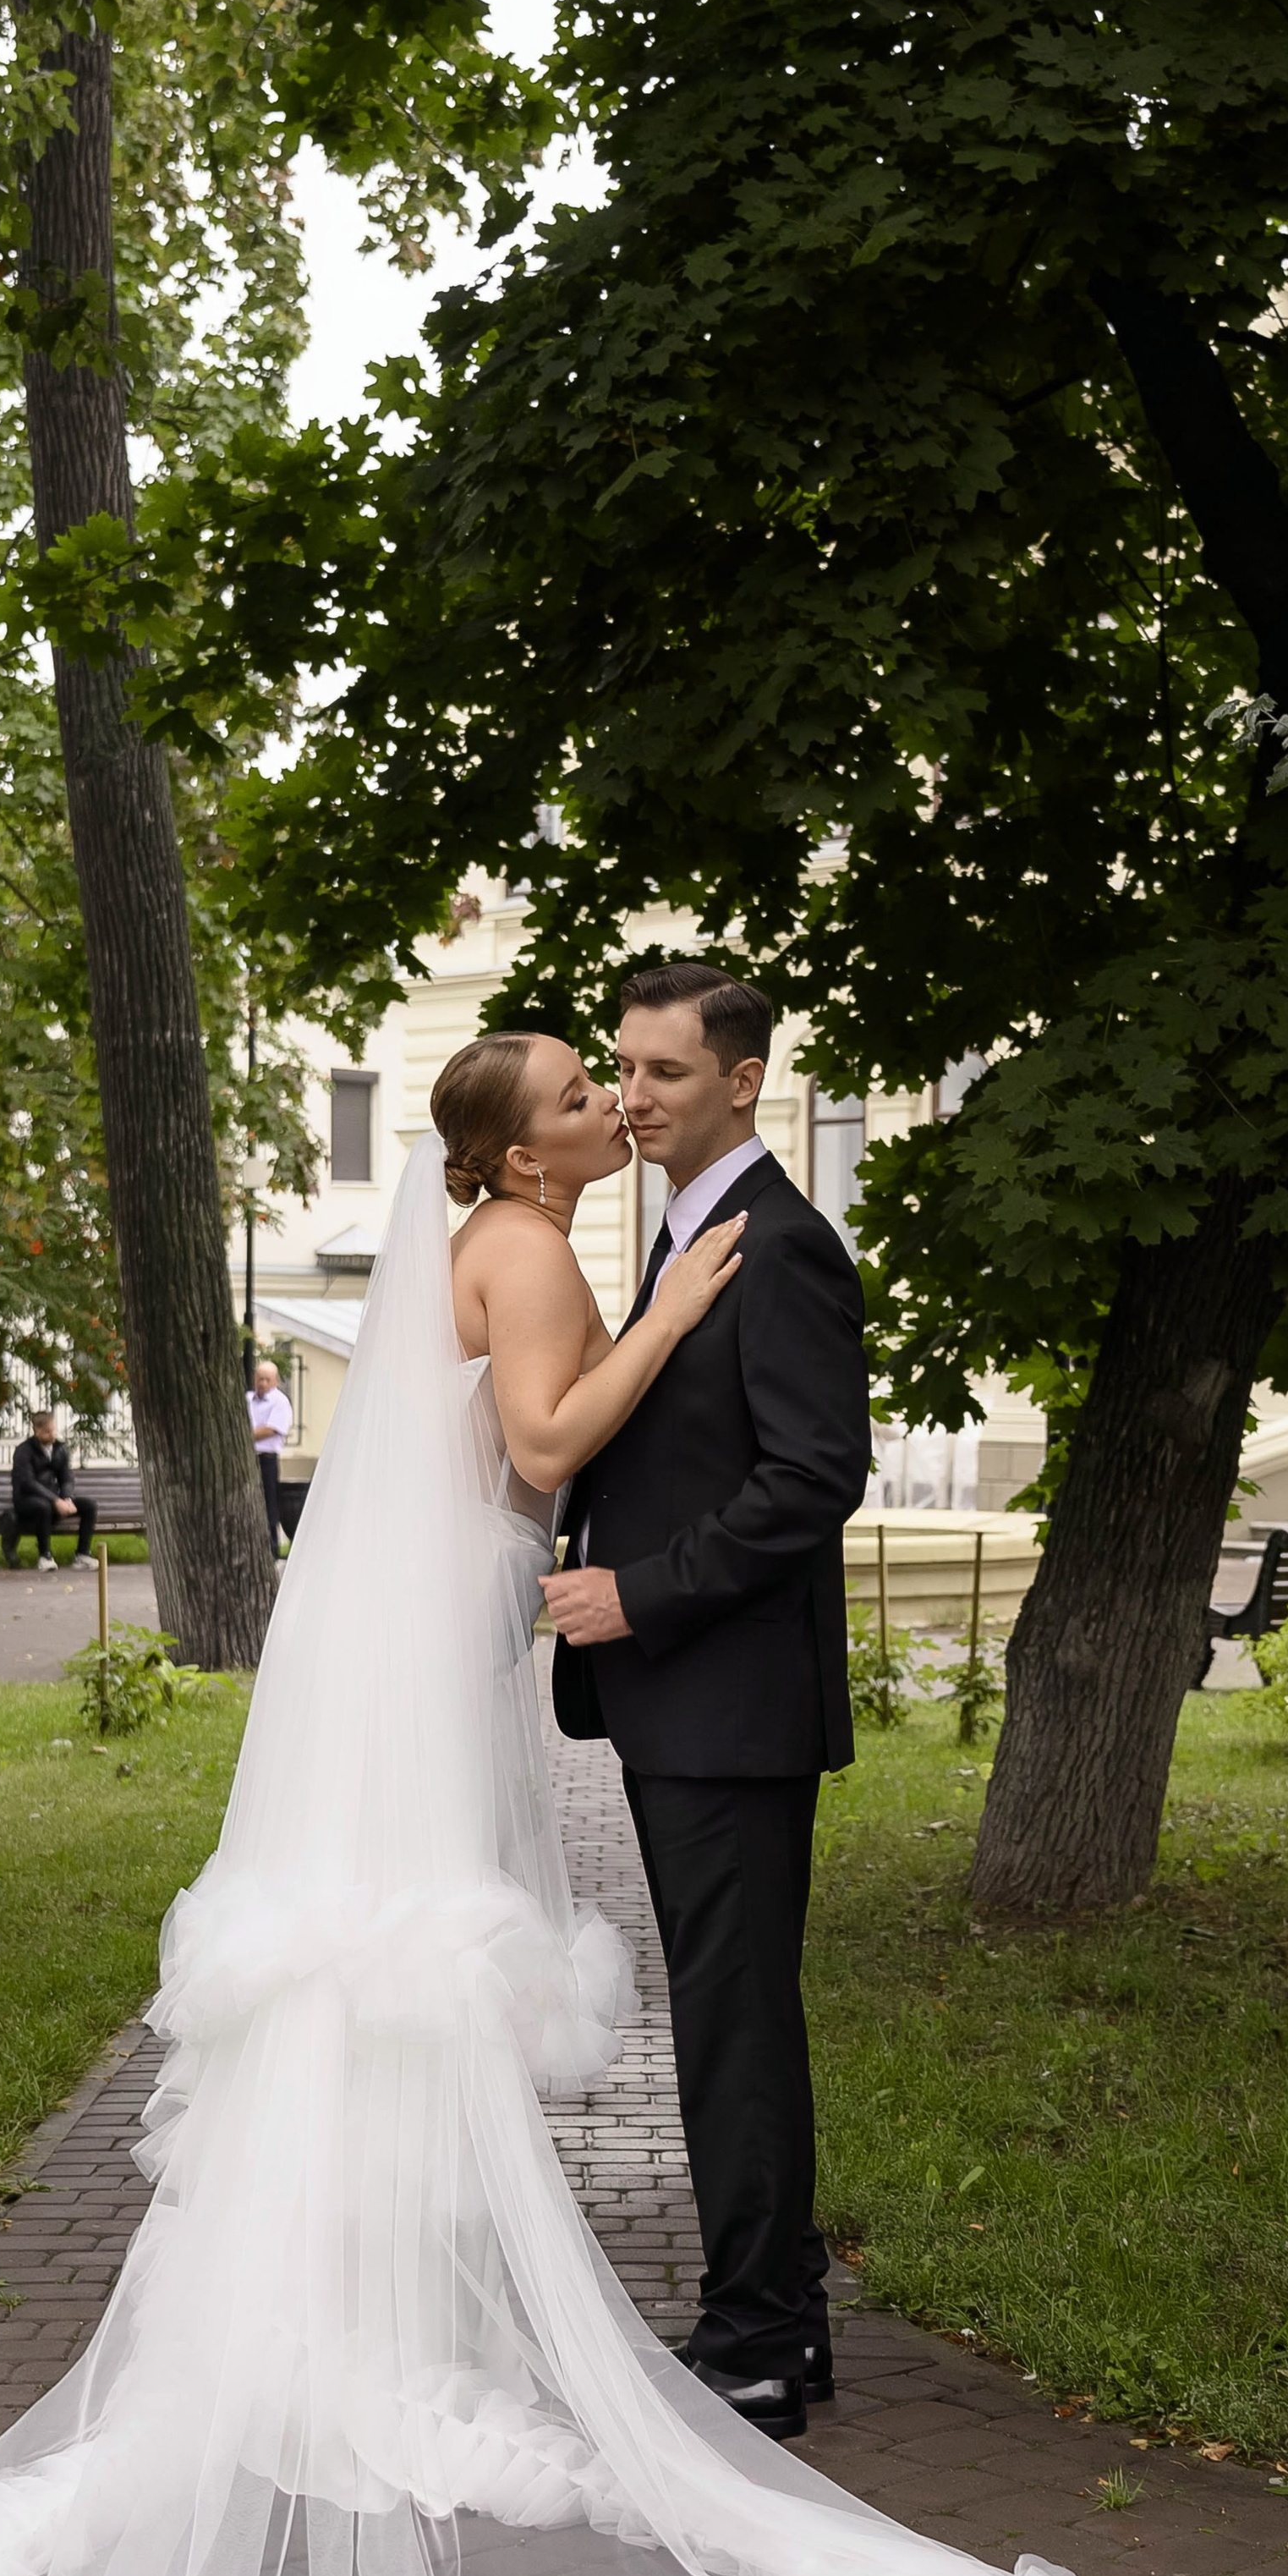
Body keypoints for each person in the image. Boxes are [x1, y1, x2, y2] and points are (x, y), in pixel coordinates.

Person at [0, 1031, 1288, 2576]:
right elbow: (547, 1444)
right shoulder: (534, 1249)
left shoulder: (524, 1238)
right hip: (444, 1642)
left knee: (391, 1965)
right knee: (416, 1955)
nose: (606, 1107)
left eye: (619, 1080)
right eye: (580, 1093)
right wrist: (671, 1324)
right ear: (513, 1156)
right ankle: (373, 2332)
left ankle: (352, 2326)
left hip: (431, 1628)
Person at [545, 964, 857, 2443]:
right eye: (623, 1067)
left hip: (732, 1701)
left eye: (663, 1071)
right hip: (688, 1704)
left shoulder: (778, 1244)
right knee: (731, 2014)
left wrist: (640, 1592)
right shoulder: (686, 1229)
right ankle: (782, 2313)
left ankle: (756, 2342)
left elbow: (812, 1478)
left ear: (743, 1080)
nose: (633, 1095)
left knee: (734, 2025)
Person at [4, 1409, 96, 1573]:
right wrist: (55, 1501)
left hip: (54, 1499)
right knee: (43, 1507)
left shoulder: (60, 1449)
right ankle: (45, 1556)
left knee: (89, 1506)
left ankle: (82, 1554)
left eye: (54, 1430)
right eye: (47, 1432)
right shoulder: (24, 1451)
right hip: (27, 1501)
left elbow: (66, 1477)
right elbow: (28, 1483)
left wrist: (66, 1498)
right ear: (36, 1431)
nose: (52, 1435)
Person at [248, 1359, 291, 1554]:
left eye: (267, 1379)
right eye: (260, 1378)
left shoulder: (280, 1401)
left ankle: (272, 1548)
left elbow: (271, 1429)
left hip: (266, 1458)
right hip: (248, 1458)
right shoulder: (248, 1399)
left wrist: (243, 1436)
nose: (263, 1383)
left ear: (276, 1381)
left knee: (268, 1502)